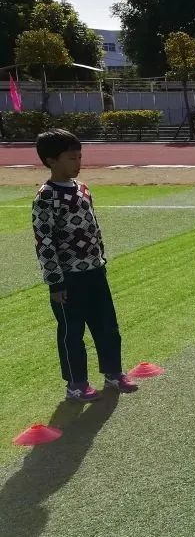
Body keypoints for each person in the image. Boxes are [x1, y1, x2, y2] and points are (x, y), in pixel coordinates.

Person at [32, 129, 139, 402]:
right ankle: (76, 384)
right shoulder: (46, 196)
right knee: (72, 332)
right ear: (51, 160)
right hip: (68, 279)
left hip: (94, 271)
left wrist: (100, 257)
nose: (78, 163)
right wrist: (55, 282)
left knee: (107, 325)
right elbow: (44, 242)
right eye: (71, 158)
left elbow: (93, 226)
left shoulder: (82, 188)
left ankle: (113, 373)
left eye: (79, 157)